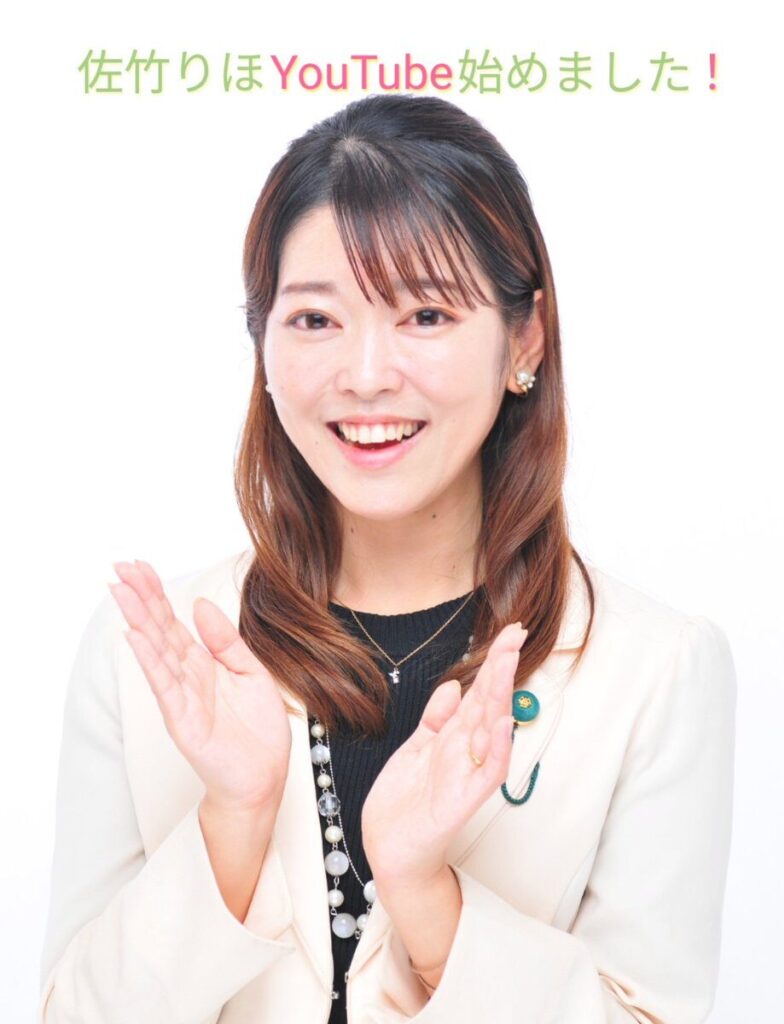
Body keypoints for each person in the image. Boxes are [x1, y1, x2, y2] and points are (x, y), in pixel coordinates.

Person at [38, 94, 737, 1024]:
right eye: (315, 320)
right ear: (262, 343)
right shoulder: (148, 661)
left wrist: (427, 899)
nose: (365, 376)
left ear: (523, 340)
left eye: (426, 315)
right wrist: (230, 824)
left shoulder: (651, 670)